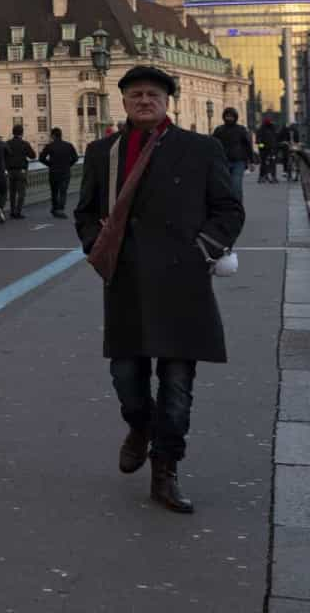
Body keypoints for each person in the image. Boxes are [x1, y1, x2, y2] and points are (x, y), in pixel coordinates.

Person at [75, 66, 243, 514]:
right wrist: (97, 246)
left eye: (152, 94)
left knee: (177, 385)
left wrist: (201, 250)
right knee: (126, 378)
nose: (143, 101)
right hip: (127, 278)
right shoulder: (103, 152)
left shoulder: (201, 149)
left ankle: (166, 471)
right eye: (135, 95)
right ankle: (139, 425)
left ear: (168, 101)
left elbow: (228, 209)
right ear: (124, 103)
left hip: (180, 280)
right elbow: (86, 211)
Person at [210, 107, 255, 201]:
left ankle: (237, 204)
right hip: (223, 161)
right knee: (224, 185)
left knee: (236, 184)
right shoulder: (219, 130)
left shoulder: (241, 130)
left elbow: (247, 146)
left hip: (238, 161)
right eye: (227, 116)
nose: (229, 118)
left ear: (235, 117)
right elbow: (212, 145)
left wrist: (252, 161)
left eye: (231, 116)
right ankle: (227, 204)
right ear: (224, 117)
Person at [39, 128, 79, 218]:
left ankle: (55, 208)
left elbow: (41, 158)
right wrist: (69, 165)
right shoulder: (68, 145)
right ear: (61, 135)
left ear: (53, 136)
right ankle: (60, 209)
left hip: (54, 172)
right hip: (65, 171)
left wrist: (50, 164)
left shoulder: (49, 146)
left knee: (54, 191)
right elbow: (75, 158)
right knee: (63, 191)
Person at [3, 124, 37, 219]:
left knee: (12, 192)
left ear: (13, 133)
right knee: (21, 193)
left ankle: (12, 211)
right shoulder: (24, 144)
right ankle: (18, 212)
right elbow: (33, 156)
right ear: (22, 133)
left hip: (10, 171)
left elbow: (3, 156)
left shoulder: (7, 143)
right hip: (21, 171)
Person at [257, 117, 279, 183]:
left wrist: (260, 146)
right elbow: (258, 139)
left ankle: (264, 177)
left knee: (267, 162)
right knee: (268, 162)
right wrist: (260, 146)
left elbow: (276, 137)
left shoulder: (263, 128)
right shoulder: (269, 128)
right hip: (268, 148)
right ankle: (269, 177)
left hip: (269, 148)